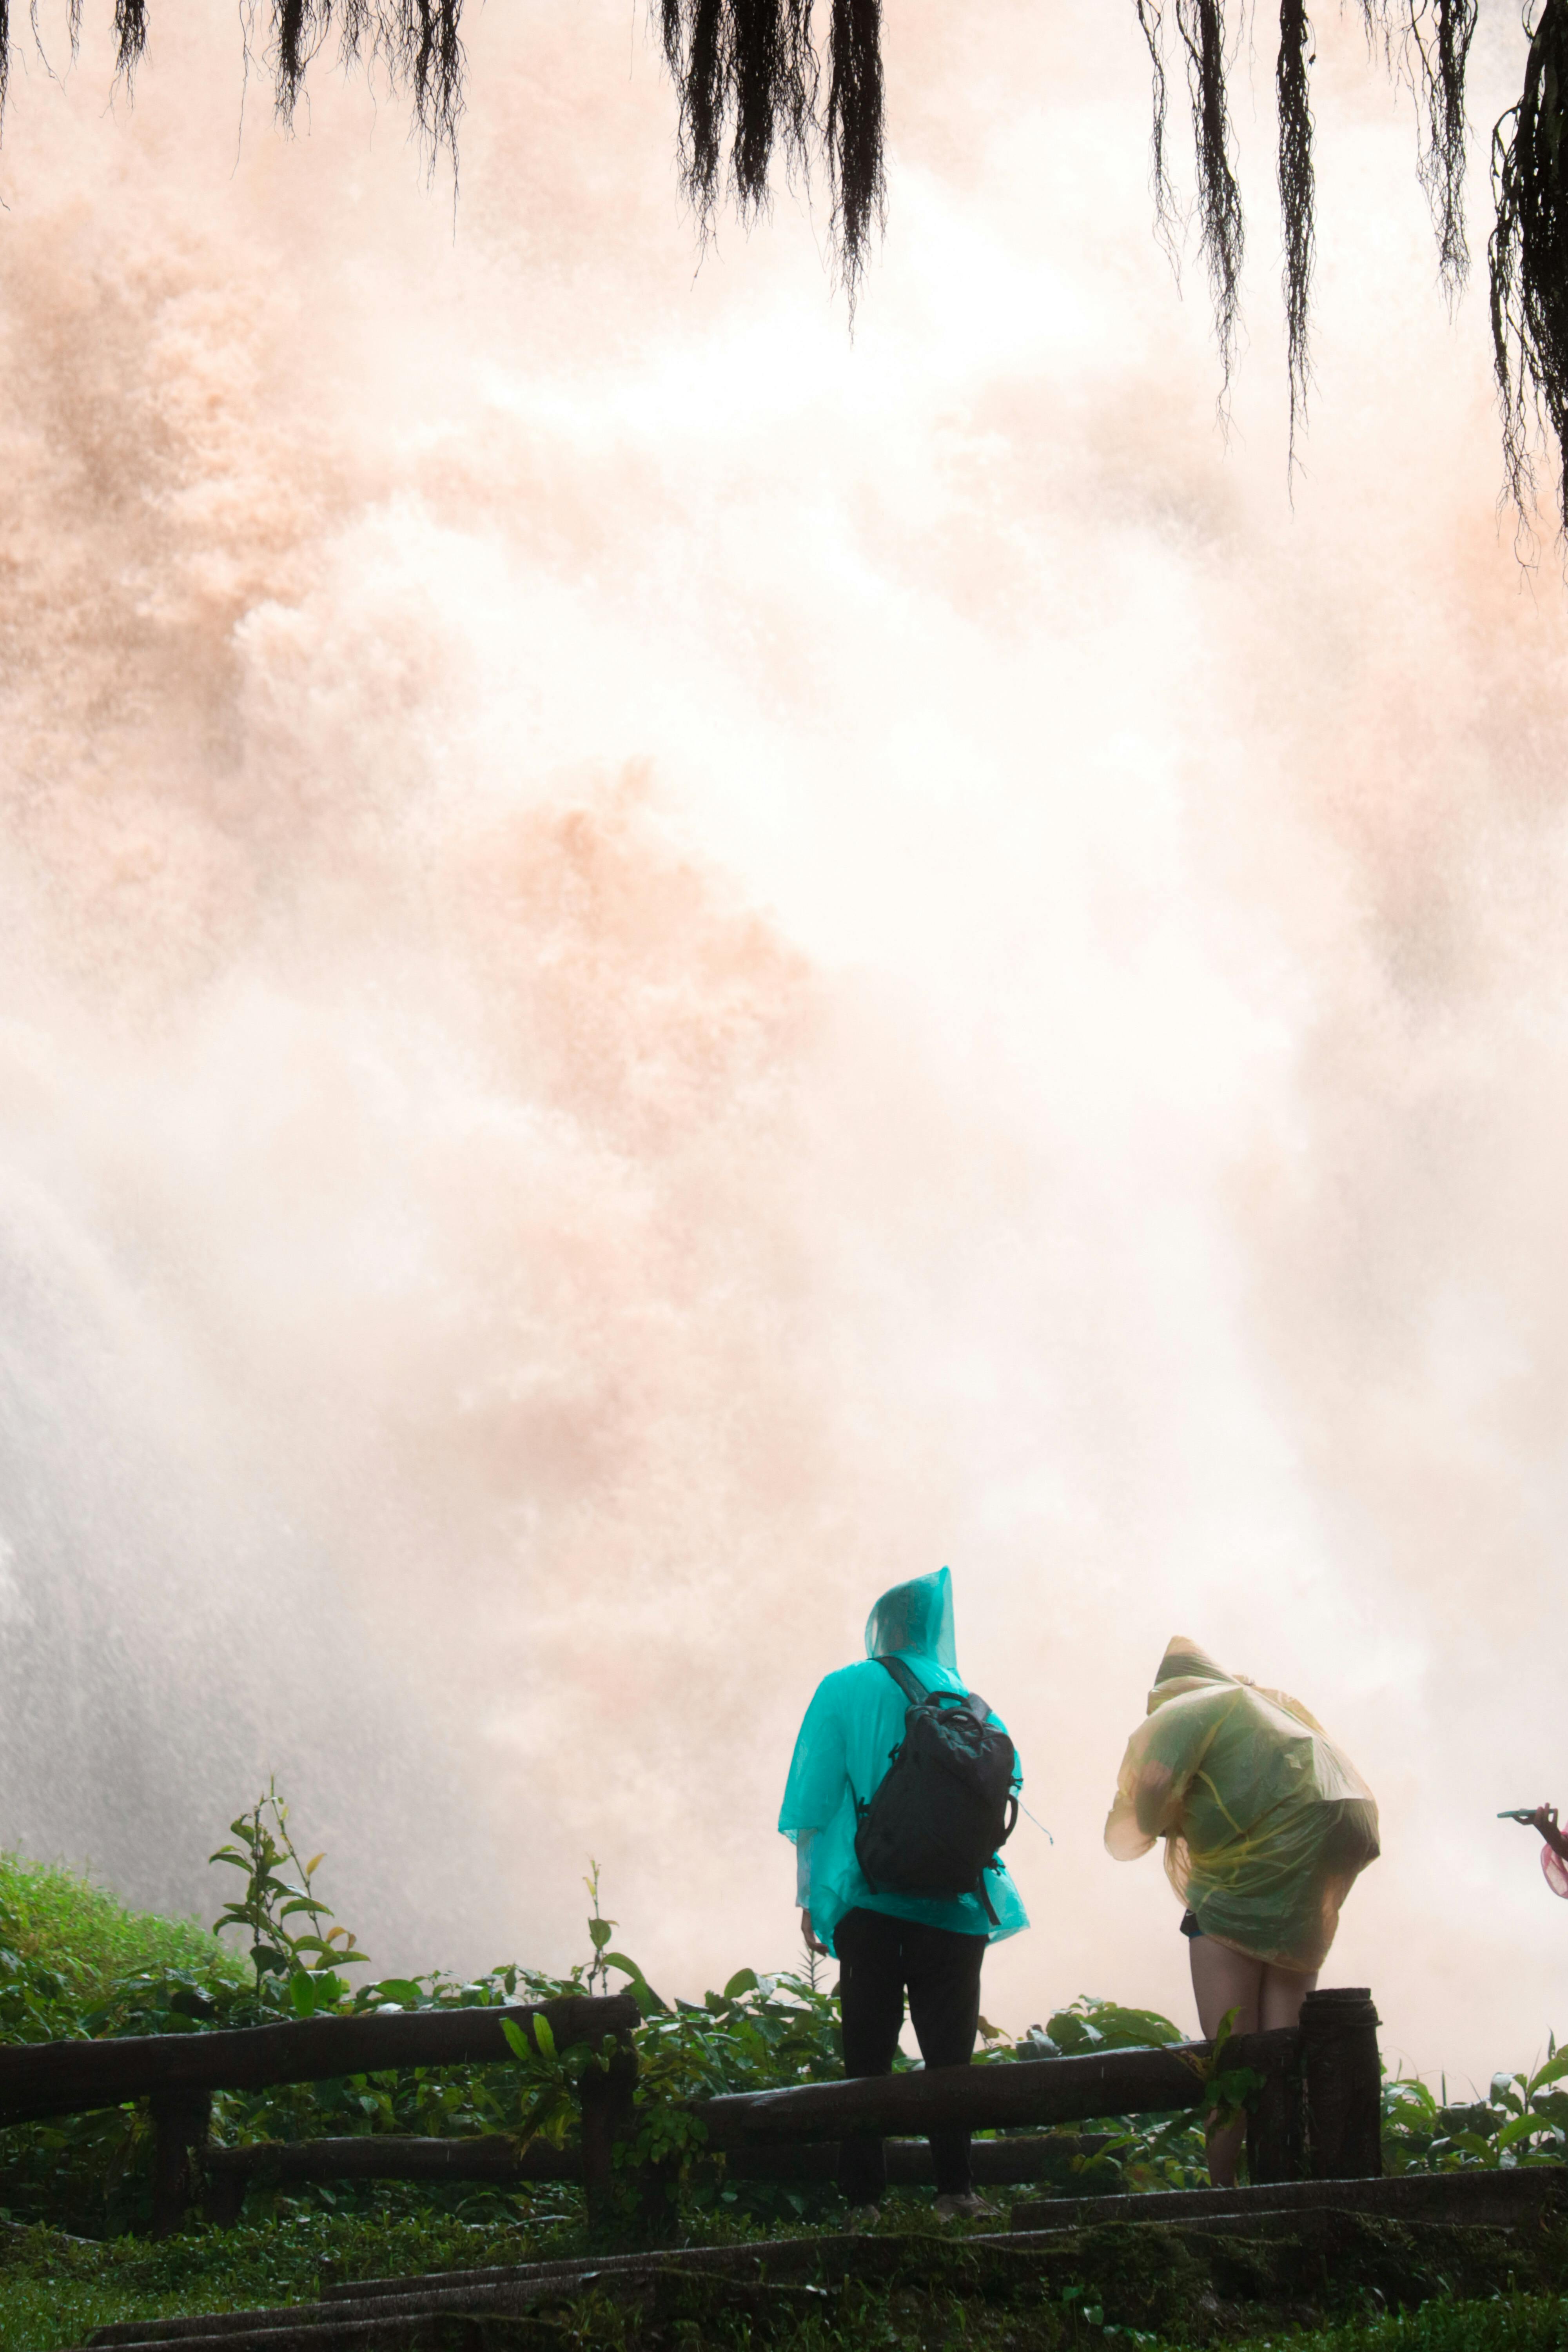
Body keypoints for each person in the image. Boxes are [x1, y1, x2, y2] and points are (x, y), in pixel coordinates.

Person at [779, 1566, 1028, 2221]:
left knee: (866, 2049)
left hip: (872, 1899)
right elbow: (1011, 1787)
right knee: (951, 2052)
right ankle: (957, 2192)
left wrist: (810, 1896)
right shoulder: (973, 1703)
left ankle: (865, 2201)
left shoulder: (844, 1688)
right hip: (958, 1904)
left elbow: (811, 1799)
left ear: (882, 1628)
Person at [1104, 1635, 1380, 2187]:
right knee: (1285, 2053)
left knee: (1234, 2056)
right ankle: (1291, 2184)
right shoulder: (1265, 1708)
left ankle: (1223, 2192)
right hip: (1313, 1875)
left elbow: (1142, 1822)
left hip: (1235, 1897)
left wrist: (1161, 1795)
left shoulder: (1186, 1715)